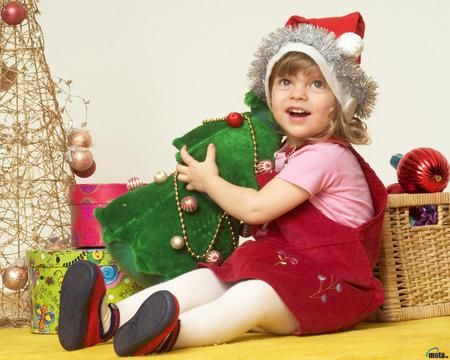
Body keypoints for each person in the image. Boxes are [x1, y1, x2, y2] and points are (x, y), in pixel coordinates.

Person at [58, 12, 387, 356]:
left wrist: (209, 181)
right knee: (210, 278)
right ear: (269, 93)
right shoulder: (287, 154)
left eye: (317, 84)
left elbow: (257, 207)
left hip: (333, 287)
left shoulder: (326, 157)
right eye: (286, 82)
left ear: (341, 104)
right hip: (283, 267)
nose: (299, 94)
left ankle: (172, 332)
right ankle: (108, 320)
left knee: (251, 296)